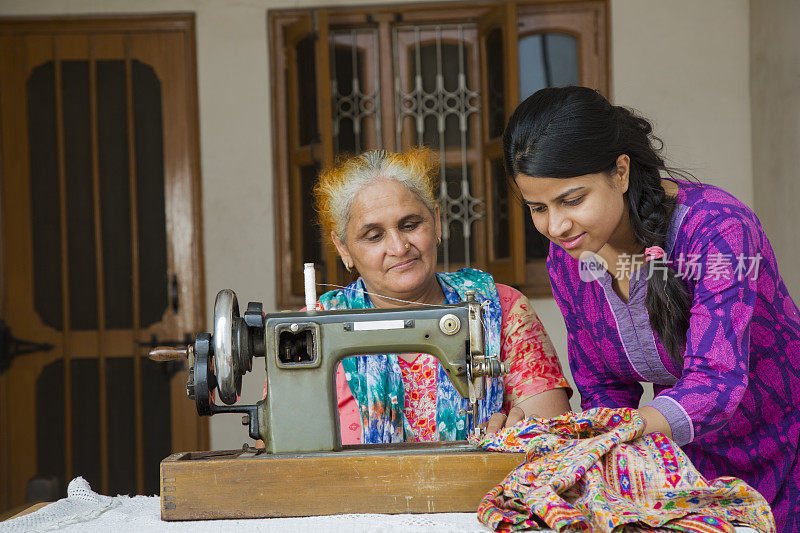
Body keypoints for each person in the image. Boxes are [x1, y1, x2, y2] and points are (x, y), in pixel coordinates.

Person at [502, 85, 799, 531]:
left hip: (785, 442)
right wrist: (601, 444)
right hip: (689, 461)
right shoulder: (569, 260)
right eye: (537, 208)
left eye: (572, 199)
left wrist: (618, 436)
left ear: (620, 172)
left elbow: (715, 381)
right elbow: (604, 386)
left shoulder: (716, 229)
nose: (556, 226)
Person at [293, 148, 571, 445]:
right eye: (374, 236)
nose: (399, 247)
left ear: (436, 222)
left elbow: (553, 441)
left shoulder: (502, 309)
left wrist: (522, 435)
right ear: (344, 248)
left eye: (410, 225)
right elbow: (283, 459)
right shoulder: (309, 333)